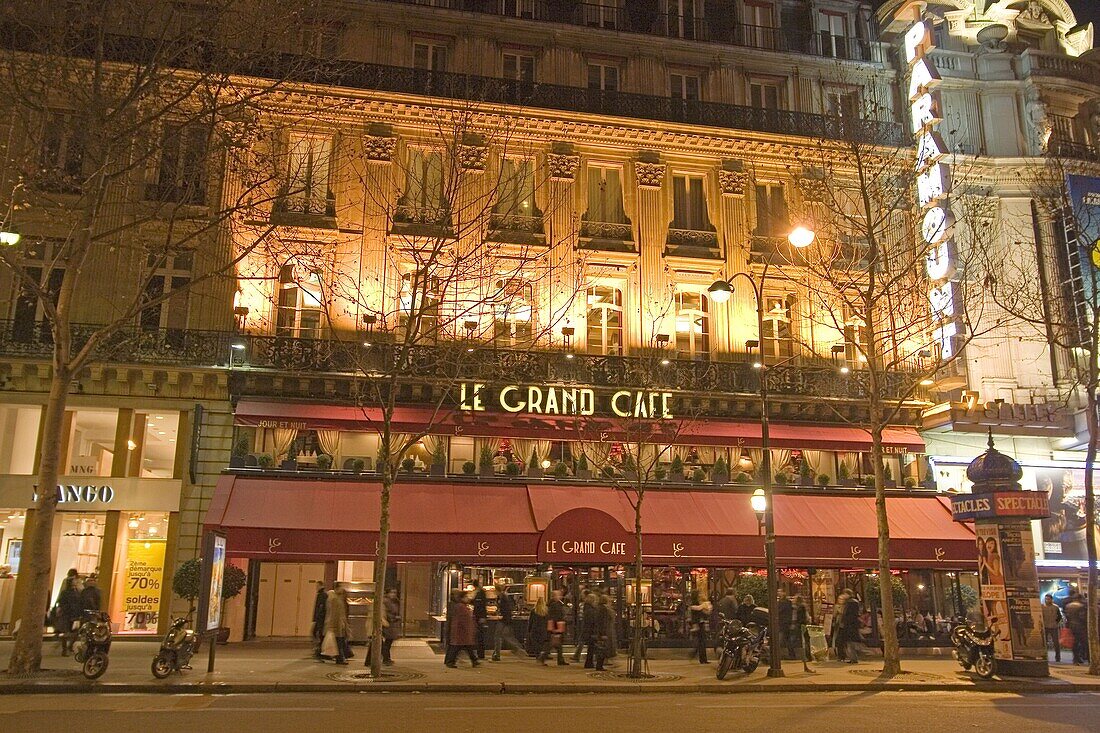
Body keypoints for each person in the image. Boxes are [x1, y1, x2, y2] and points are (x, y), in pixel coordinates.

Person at [444, 590, 479, 668]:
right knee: (458, 647)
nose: (468, 598)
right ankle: (450, 661)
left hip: (461, 631)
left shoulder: (460, 606)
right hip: (461, 631)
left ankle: (474, 660)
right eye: (466, 597)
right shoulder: (460, 606)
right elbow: (464, 619)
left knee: (465, 646)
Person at [491, 582, 522, 661]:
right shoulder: (501, 597)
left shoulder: (503, 597)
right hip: (505, 619)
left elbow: (506, 609)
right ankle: (517, 648)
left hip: (504, 620)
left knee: (498, 636)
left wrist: (501, 615)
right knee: (505, 636)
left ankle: (497, 654)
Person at [54, 574, 83, 656]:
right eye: (74, 580)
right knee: (66, 632)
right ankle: (65, 649)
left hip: (74, 614)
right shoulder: (66, 593)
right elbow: (61, 602)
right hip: (67, 614)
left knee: (76, 632)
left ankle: (69, 646)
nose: (76, 581)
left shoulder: (76, 591)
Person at [539, 589, 568, 666]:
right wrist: (556, 629)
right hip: (556, 627)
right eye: (558, 595)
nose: (560, 596)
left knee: (557, 645)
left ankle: (560, 659)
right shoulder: (555, 605)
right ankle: (543, 657)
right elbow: (556, 617)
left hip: (555, 627)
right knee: (552, 644)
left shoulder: (552, 604)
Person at [323, 586, 351, 664]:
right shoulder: (336, 600)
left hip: (338, 625)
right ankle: (340, 658)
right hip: (337, 625)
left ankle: (340, 657)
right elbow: (336, 614)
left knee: (340, 642)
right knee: (339, 642)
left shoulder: (337, 599)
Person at [1064, 591, 1089, 665]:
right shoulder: (1081, 606)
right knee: (1085, 643)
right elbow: (1082, 617)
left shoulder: (1068, 606)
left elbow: (1067, 617)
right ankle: (1089, 659)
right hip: (1081, 627)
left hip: (1072, 626)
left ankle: (1075, 659)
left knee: (1075, 644)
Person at [592, 593, 615, 671]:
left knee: (602, 648)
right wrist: (603, 633)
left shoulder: (599, 608)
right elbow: (603, 622)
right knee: (602, 648)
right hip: (604, 632)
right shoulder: (603, 609)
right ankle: (599, 665)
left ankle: (600, 664)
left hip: (602, 631)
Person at [688, 590, 712, 664]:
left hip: (700, 623)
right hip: (698, 623)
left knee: (701, 641)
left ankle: (702, 658)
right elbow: (697, 610)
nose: (701, 595)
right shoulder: (695, 604)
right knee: (701, 641)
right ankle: (701, 658)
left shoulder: (699, 603)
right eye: (699, 594)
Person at [839, 592, 862, 663]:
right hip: (853, 625)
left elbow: (846, 615)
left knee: (850, 642)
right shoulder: (855, 602)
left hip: (849, 626)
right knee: (851, 642)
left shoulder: (849, 603)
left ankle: (853, 658)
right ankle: (853, 658)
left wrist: (843, 621)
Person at [573, 590, 596, 663]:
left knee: (582, 642)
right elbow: (590, 619)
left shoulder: (586, 606)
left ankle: (577, 656)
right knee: (587, 643)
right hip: (588, 628)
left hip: (585, 627)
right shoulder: (590, 609)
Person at [381, 588, 401, 666]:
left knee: (388, 642)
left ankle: (386, 658)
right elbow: (386, 613)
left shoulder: (395, 601)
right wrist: (394, 618)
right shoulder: (386, 601)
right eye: (392, 592)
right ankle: (386, 658)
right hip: (388, 624)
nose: (393, 594)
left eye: (395, 592)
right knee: (387, 642)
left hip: (392, 625)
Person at [580, 592, 601, 668]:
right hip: (591, 631)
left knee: (591, 648)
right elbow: (592, 622)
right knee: (592, 648)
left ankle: (589, 662)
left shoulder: (587, 609)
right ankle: (589, 663)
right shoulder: (591, 610)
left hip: (588, 631)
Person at [471, 578, 488, 660]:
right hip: (478, 617)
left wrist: (482, 617)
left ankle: (480, 654)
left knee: (479, 636)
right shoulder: (479, 592)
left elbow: (481, 605)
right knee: (478, 636)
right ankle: (479, 653)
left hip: (479, 617)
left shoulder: (480, 593)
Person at [527, 596, 549, 660]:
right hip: (543, 630)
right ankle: (541, 656)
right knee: (541, 643)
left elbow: (531, 621)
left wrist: (529, 630)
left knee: (536, 644)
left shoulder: (534, 611)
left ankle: (538, 656)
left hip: (535, 629)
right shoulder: (546, 611)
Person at [789, 594, 809, 661]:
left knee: (798, 640)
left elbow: (801, 617)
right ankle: (806, 656)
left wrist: (798, 624)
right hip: (801, 624)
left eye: (794, 599)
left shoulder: (800, 607)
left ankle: (806, 656)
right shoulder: (798, 607)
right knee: (804, 641)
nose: (793, 600)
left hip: (800, 625)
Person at [312, 582, 328, 659]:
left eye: (317, 586)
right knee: (318, 634)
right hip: (320, 619)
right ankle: (320, 651)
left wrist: (315, 618)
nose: (316, 587)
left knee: (319, 634)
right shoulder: (322, 594)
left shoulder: (322, 595)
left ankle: (320, 651)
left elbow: (320, 608)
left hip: (320, 619)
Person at [777, 590, 793, 658]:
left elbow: (781, 611)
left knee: (780, 640)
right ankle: (791, 654)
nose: (778, 593)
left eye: (780, 592)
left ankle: (778, 655)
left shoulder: (786, 602)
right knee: (787, 640)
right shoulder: (780, 602)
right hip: (782, 623)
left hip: (784, 623)